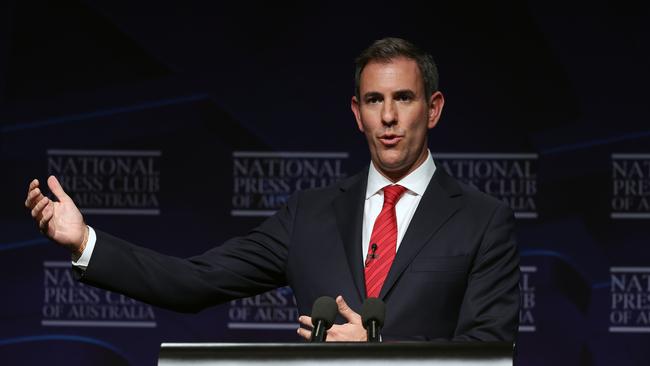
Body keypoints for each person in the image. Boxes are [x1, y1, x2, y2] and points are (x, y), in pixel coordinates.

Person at [25, 37, 519, 342]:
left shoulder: (482, 220)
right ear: (356, 114)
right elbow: (193, 281)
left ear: (432, 109)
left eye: (403, 98)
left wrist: (375, 354)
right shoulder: (310, 214)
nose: (388, 117)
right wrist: (86, 241)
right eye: (374, 100)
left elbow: (487, 353)